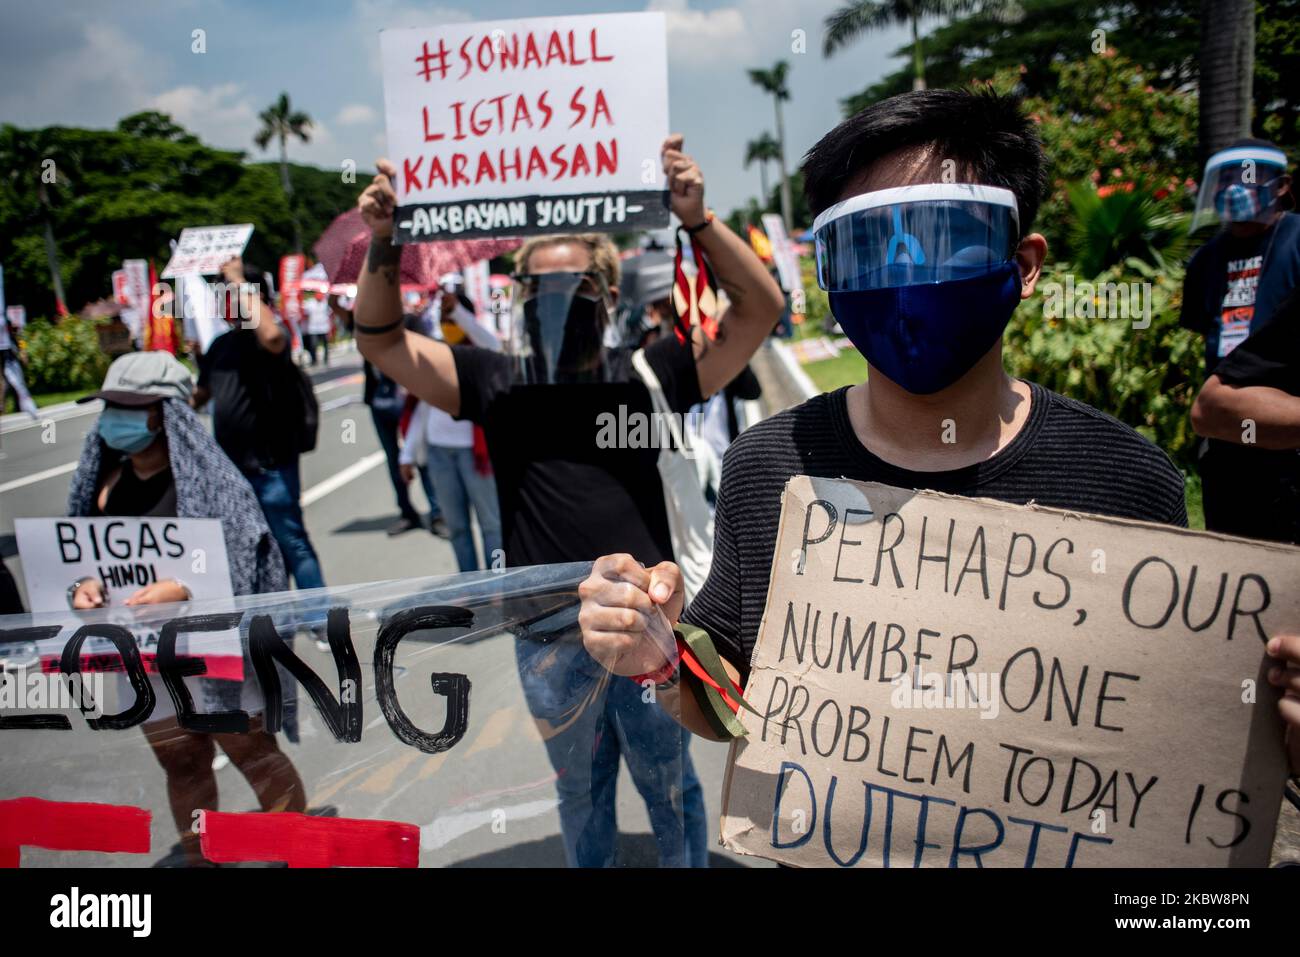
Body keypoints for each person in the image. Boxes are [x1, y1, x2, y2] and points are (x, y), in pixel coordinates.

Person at [575, 90, 1245, 750]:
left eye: (945, 235)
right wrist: (661, 658)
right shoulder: (769, 468)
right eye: (867, 242)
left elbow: (1166, 736)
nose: (904, 269)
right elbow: (735, 707)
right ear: (830, 273)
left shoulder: (1129, 482)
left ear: (1025, 265)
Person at [352, 134, 785, 867]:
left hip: (643, 625)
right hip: (546, 633)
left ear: (609, 296)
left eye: (576, 288)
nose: (556, 304)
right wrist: (385, 241)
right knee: (578, 790)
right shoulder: (493, 380)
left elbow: (760, 308)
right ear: (516, 299)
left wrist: (696, 220)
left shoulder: (650, 370)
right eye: (538, 290)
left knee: (669, 784)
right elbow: (383, 341)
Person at [66, 351, 306, 866]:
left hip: (215, 650)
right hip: (146, 657)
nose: (115, 419)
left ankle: (297, 850)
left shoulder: (217, 487)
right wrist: (85, 585)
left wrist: (183, 586)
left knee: (253, 754)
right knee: (181, 760)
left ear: (166, 413)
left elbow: (245, 563)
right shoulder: (102, 489)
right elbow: (78, 563)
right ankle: (201, 860)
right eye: (111, 407)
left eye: (131, 407)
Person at [1182, 139, 1300, 544]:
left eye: (1248, 176)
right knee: (1233, 552)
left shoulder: (1296, 238)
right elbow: (1204, 329)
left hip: (1285, 426)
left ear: (1281, 185)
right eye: (1226, 178)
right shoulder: (1205, 260)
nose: (1235, 187)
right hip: (1226, 432)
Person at [191, 256, 327, 599]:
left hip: (271, 466)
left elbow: (271, 335)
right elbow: (199, 395)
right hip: (232, 470)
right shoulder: (221, 345)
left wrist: (238, 278)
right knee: (250, 549)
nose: (227, 301)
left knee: (291, 539)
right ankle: (274, 622)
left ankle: (321, 618)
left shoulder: (267, 338)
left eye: (234, 293)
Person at [399, 277, 503, 571]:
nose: (449, 323)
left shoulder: (483, 356)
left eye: (453, 318)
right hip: (439, 453)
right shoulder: (436, 354)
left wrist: (457, 309)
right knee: (457, 528)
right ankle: (470, 587)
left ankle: (501, 586)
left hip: (475, 454)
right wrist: (407, 454)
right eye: (444, 318)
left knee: (491, 525)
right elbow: (422, 406)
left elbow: (492, 342)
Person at [301, 290, 333, 366]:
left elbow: (330, 315)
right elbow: (304, 313)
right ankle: (314, 360)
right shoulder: (310, 303)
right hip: (313, 328)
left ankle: (326, 359)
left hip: (324, 327)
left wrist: (331, 327)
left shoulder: (325, 303)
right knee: (313, 345)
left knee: (326, 345)